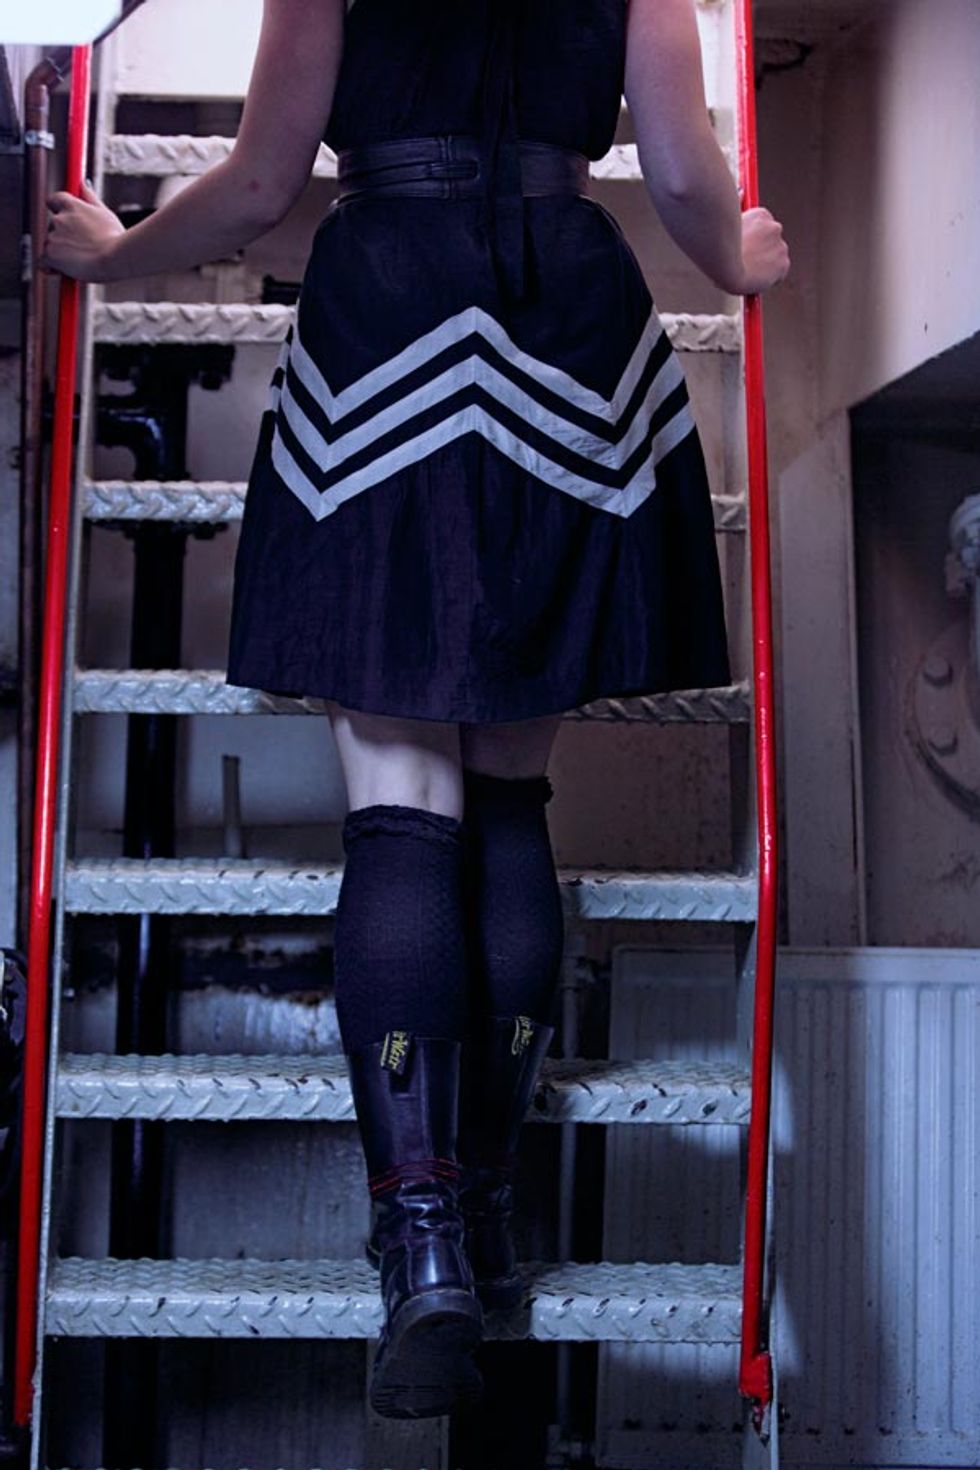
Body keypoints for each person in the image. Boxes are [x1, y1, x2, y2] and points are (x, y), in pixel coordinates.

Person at [43, 0, 790, 1422]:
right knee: (507, 797)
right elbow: (684, 173)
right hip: (569, 335)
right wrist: (737, 261)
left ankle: (423, 1239)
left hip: (388, 326)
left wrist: (116, 249)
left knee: (402, 798)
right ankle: (488, 1215)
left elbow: (262, 183)